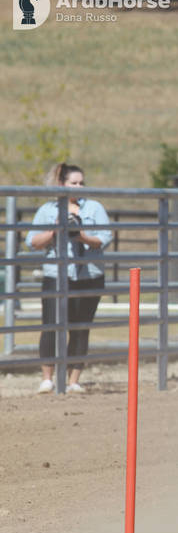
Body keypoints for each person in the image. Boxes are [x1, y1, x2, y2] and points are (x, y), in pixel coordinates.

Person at [25, 163, 112, 393]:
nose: (79, 186)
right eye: (74, 182)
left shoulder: (94, 208)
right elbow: (32, 241)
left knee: (81, 328)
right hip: (56, 274)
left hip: (88, 274)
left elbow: (104, 238)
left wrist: (82, 236)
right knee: (51, 325)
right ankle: (47, 378)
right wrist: (54, 231)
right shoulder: (47, 209)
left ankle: (73, 380)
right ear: (62, 184)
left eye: (82, 182)